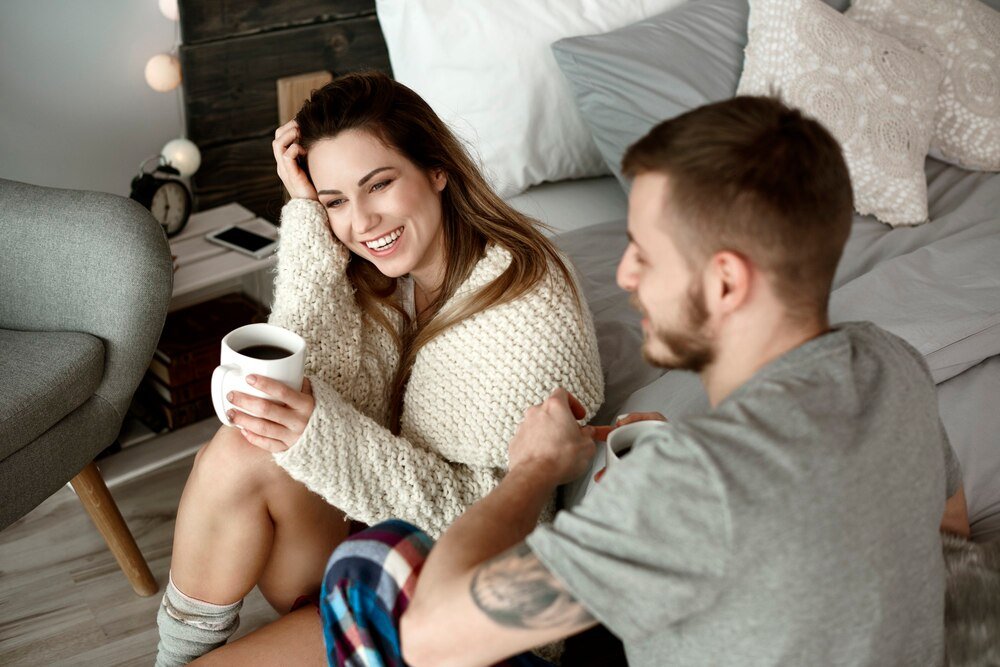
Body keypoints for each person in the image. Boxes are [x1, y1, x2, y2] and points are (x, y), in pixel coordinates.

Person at [190, 95, 969, 666]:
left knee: (370, 564)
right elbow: (951, 535)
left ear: (726, 281)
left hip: (463, 595)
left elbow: (433, 632)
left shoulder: (688, 486)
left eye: (644, 252)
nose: (622, 276)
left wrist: (534, 468)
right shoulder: (888, 363)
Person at [154, 71, 604, 666]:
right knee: (242, 449)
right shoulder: (384, 281)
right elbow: (313, 373)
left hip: (455, 592)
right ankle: (175, 654)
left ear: (437, 169)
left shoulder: (521, 300)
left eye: (379, 185)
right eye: (337, 201)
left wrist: (319, 434)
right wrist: (305, 212)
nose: (362, 223)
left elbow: (481, 525)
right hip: (368, 539)